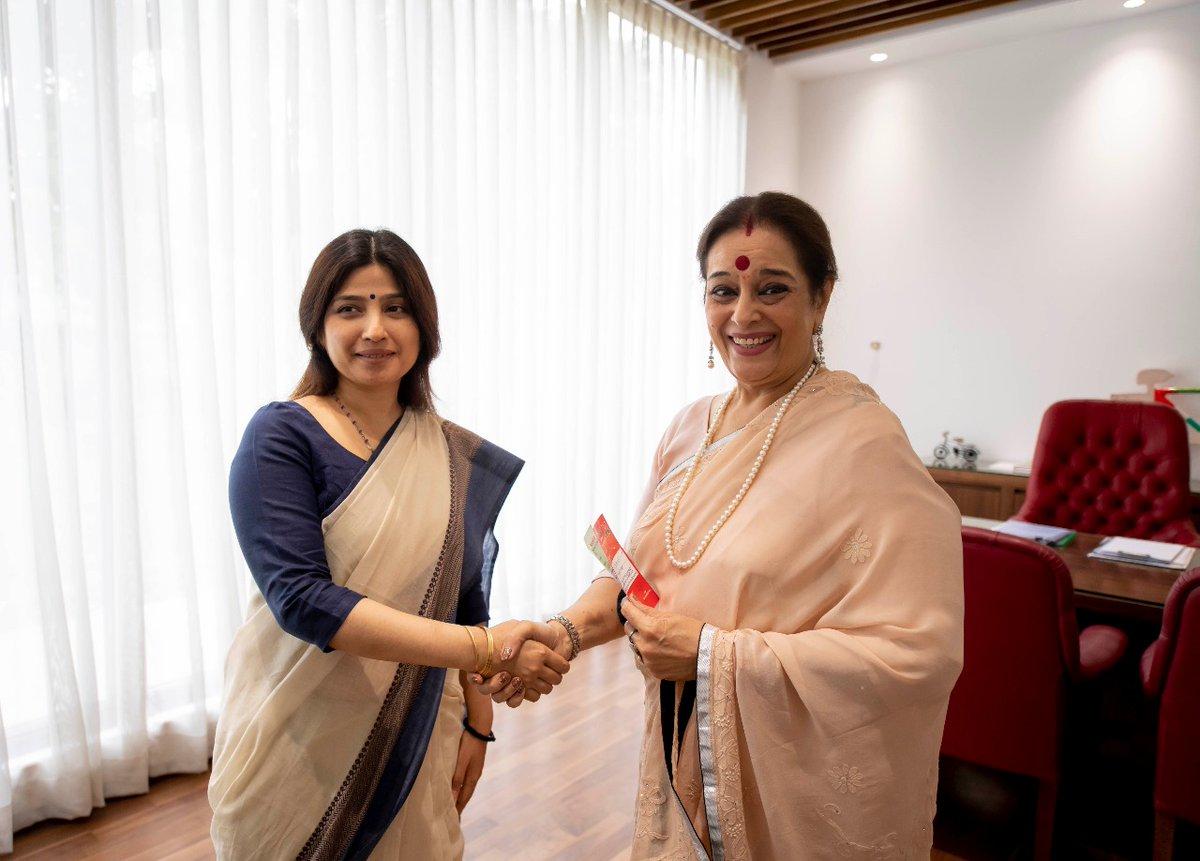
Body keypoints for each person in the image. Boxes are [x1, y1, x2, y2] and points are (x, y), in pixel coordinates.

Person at [479, 193, 965, 859]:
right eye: (722, 290)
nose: (743, 314)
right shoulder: (689, 427)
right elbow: (634, 576)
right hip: (681, 755)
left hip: (784, 805)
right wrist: (561, 631)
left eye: (772, 288)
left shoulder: (862, 442)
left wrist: (709, 652)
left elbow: (920, 651)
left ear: (821, 298)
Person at [209, 229, 568, 859]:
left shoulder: (451, 452)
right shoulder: (280, 436)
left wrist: (478, 722)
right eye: (350, 308)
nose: (375, 327)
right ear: (317, 325)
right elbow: (302, 600)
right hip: (296, 745)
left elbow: (463, 596)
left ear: (424, 326)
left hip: (419, 737)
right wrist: (489, 648)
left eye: (396, 307)